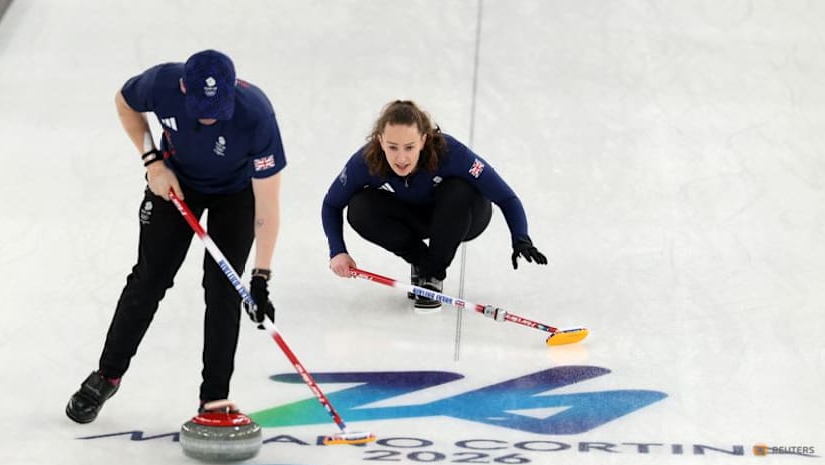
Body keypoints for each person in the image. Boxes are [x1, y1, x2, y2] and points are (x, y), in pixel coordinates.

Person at [66, 49, 285, 424]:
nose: (209, 117)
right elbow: (124, 102)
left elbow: (267, 203)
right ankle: (107, 375)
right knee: (149, 280)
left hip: (236, 195)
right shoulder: (161, 83)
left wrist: (261, 277)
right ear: (184, 88)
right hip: (175, 184)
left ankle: (214, 399)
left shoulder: (256, 115)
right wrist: (152, 162)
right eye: (202, 108)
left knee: (223, 290)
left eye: (218, 109)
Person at [322, 100, 547, 313]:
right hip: (416, 218)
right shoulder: (366, 160)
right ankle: (422, 263)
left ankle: (433, 273)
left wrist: (521, 238)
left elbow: (506, 197)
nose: (401, 158)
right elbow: (332, 204)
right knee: (360, 207)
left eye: (409, 147)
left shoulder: (452, 152)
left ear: (423, 140)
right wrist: (337, 251)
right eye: (392, 147)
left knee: (458, 188)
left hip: (465, 216)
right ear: (380, 141)